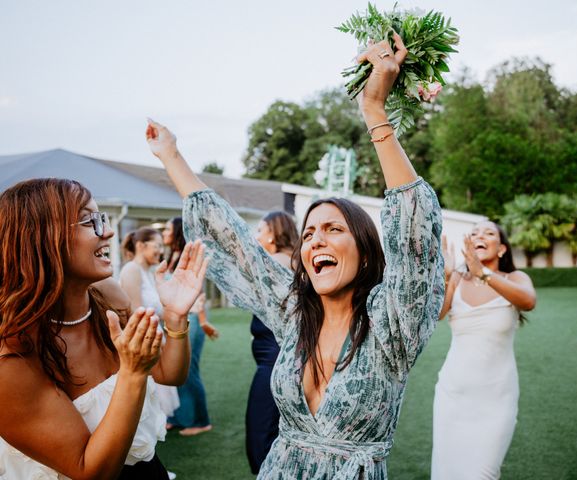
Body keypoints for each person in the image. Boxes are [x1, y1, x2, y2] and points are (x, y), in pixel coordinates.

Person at [146, 32, 444, 479]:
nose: (315, 241)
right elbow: (236, 246)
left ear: (364, 254)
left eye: (332, 230)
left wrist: (374, 111)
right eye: (308, 235)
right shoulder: (293, 315)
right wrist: (171, 156)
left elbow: (414, 236)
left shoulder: (391, 324)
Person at [0, 178, 207, 479]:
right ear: (39, 238)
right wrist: (132, 374)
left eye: (102, 219)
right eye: (88, 221)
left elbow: (169, 373)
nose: (107, 231)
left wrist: (175, 316)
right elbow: (91, 471)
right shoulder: (12, 361)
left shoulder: (107, 297)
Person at [431, 222, 536, 479]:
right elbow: (437, 315)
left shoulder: (516, 279)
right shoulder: (457, 278)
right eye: (475, 232)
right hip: (452, 395)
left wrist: (484, 274)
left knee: (482, 474)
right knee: (446, 472)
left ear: (501, 249)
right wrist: (445, 276)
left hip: (497, 399)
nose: (480, 236)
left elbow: (528, 301)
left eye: (488, 233)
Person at [246, 211, 298, 473]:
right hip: (284, 355)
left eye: (259, 230)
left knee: (260, 432)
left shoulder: (273, 261)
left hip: (272, 358)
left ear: (273, 234)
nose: (256, 235)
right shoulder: (295, 261)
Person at [163, 217, 217, 437]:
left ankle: (201, 420)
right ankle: (177, 417)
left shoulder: (188, 256)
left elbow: (198, 291)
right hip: (177, 318)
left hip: (193, 318)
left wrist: (203, 321)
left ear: (176, 231)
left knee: (189, 370)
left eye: (167, 228)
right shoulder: (171, 256)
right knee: (175, 369)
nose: (163, 232)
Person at [120, 227, 181, 420]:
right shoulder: (131, 270)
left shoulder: (151, 271)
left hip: (156, 335)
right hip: (144, 341)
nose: (161, 251)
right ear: (140, 245)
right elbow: (135, 315)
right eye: (157, 245)